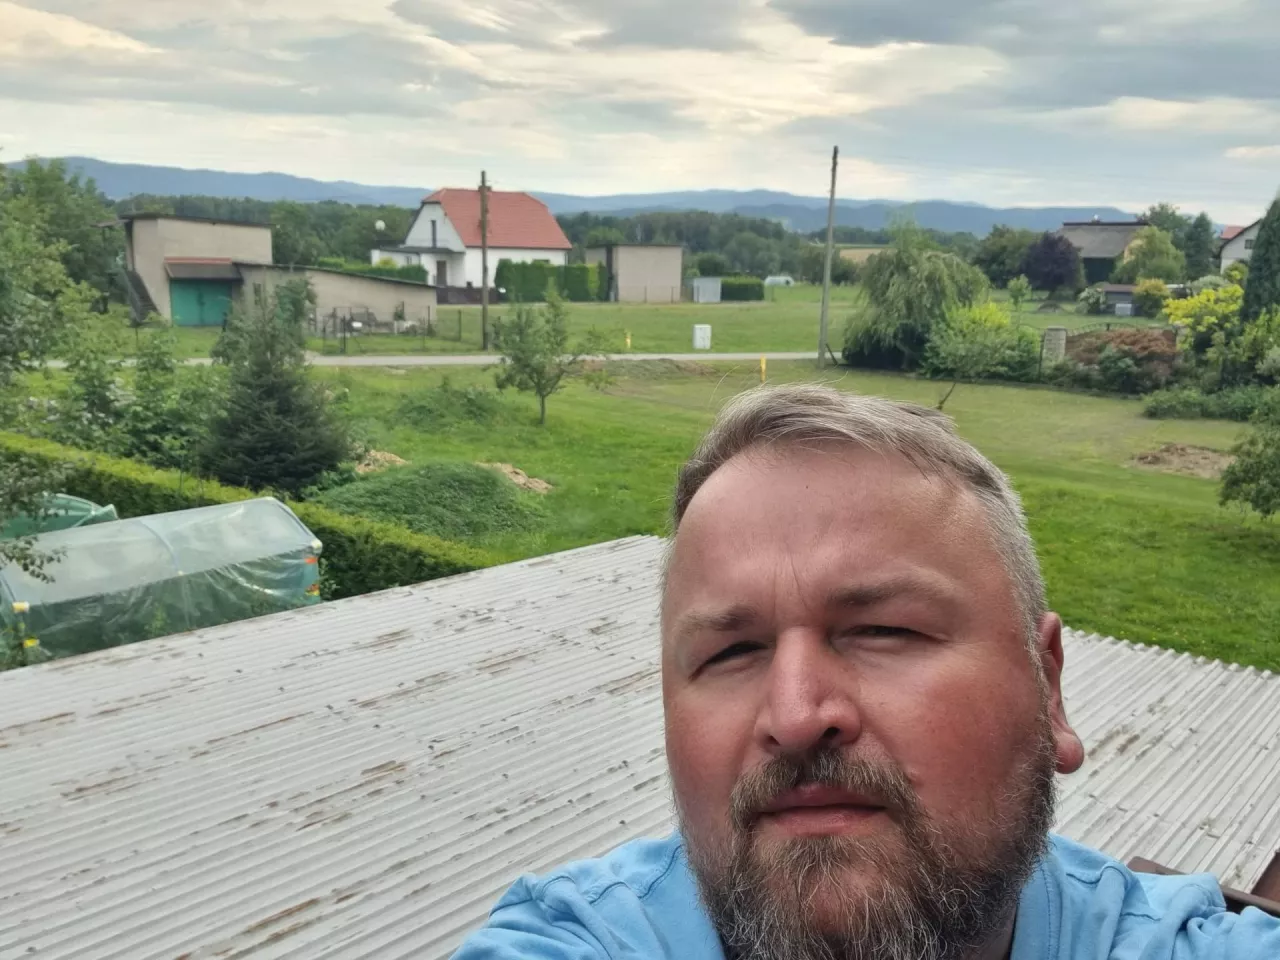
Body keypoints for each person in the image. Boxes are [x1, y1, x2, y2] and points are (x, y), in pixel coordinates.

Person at [452, 385, 1280, 960]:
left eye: (885, 629)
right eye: (731, 651)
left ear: (1049, 689)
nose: (795, 715)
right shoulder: (577, 938)